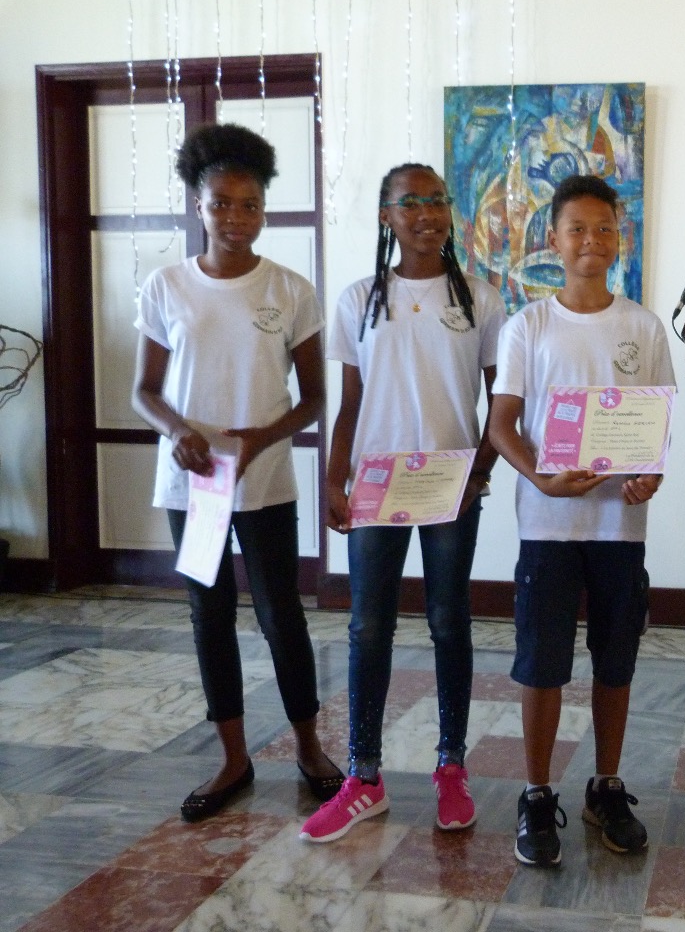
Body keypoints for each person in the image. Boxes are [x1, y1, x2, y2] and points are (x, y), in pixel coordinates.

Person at [131, 122, 343, 823]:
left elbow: (313, 398)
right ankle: (232, 759)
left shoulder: (290, 290)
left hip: (264, 480)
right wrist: (180, 432)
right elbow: (145, 391)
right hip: (192, 484)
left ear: (263, 210)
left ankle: (310, 749)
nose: (234, 217)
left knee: (282, 613)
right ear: (198, 205)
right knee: (209, 614)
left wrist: (260, 440)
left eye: (249, 204)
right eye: (220, 203)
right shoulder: (166, 286)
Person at [299, 163, 506, 843]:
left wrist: (481, 469)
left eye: (437, 200)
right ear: (386, 216)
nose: (426, 213)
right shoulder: (360, 298)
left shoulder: (480, 299)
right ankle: (364, 778)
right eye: (410, 202)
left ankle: (451, 767)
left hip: (450, 486)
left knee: (449, 621)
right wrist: (334, 479)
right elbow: (350, 402)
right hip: (377, 485)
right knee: (368, 627)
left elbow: (502, 402)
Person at [488, 174, 676, 867]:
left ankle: (606, 786)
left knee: (615, 659)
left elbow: (655, 424)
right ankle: (537, 793)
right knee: (542, 664)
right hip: (548, 526)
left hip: (619, 530)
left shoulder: (643, 327)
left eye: (604, 229)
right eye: (577, 229)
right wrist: (540, 477)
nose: (591, 241)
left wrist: (651, 474)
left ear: (619, 239)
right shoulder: (527, 326)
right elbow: (501, 425)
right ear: (553, 239)